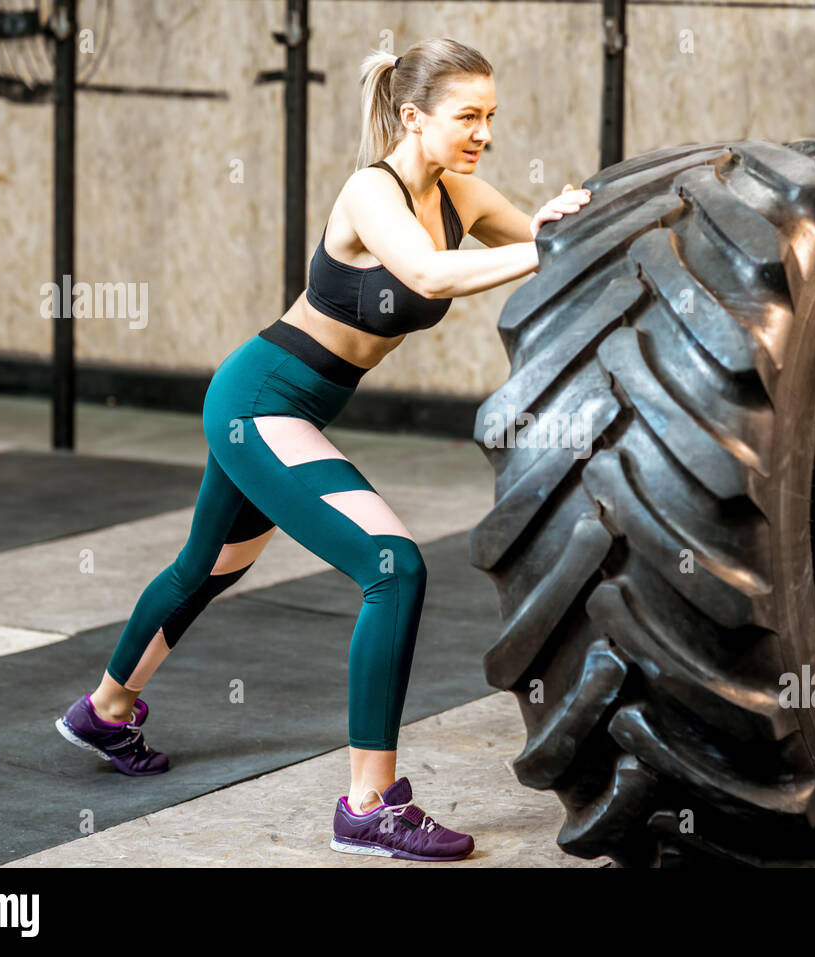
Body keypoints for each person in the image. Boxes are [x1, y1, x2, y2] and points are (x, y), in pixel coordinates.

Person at [53, 37, 593, 860]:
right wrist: (541, 240)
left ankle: (105, 709)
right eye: (467, 116)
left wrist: (591, 218)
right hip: (261, 399)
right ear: (414, 117)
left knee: (207, 566)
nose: (483, 132)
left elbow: (554, 245)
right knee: (393, 564)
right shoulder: (370, 193)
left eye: (491, 116)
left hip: (294, 405)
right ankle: (368, 804)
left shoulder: (463, 195)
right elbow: (429, 275)